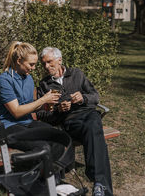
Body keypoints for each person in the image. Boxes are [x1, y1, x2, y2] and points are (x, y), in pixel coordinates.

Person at [37, 47, 114, 196]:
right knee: (95, 129)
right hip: (70, 121)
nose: (47, 67)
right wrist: (58, 110)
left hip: (88, 113)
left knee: (93, 122)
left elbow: (95, 96)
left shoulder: (76, 74)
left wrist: (83, 98)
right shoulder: (44, 85)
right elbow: (42, 114)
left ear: (60, 60)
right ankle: (100, 185)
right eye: (44, 64)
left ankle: (99, 183)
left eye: (50, 62)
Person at [0, 41, 64, 160]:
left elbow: (29, 106)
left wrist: (44, 106)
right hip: (9, 127)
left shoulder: (28, 79)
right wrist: (42, 100)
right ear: (19, 61)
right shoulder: (4, 80)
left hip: (27, 123)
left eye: (35, 64)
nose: (34, 68)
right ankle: (38, 177)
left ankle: (52, 176)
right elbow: (16, 112)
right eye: (31, 64)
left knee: (59, 138)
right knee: (43, 147)